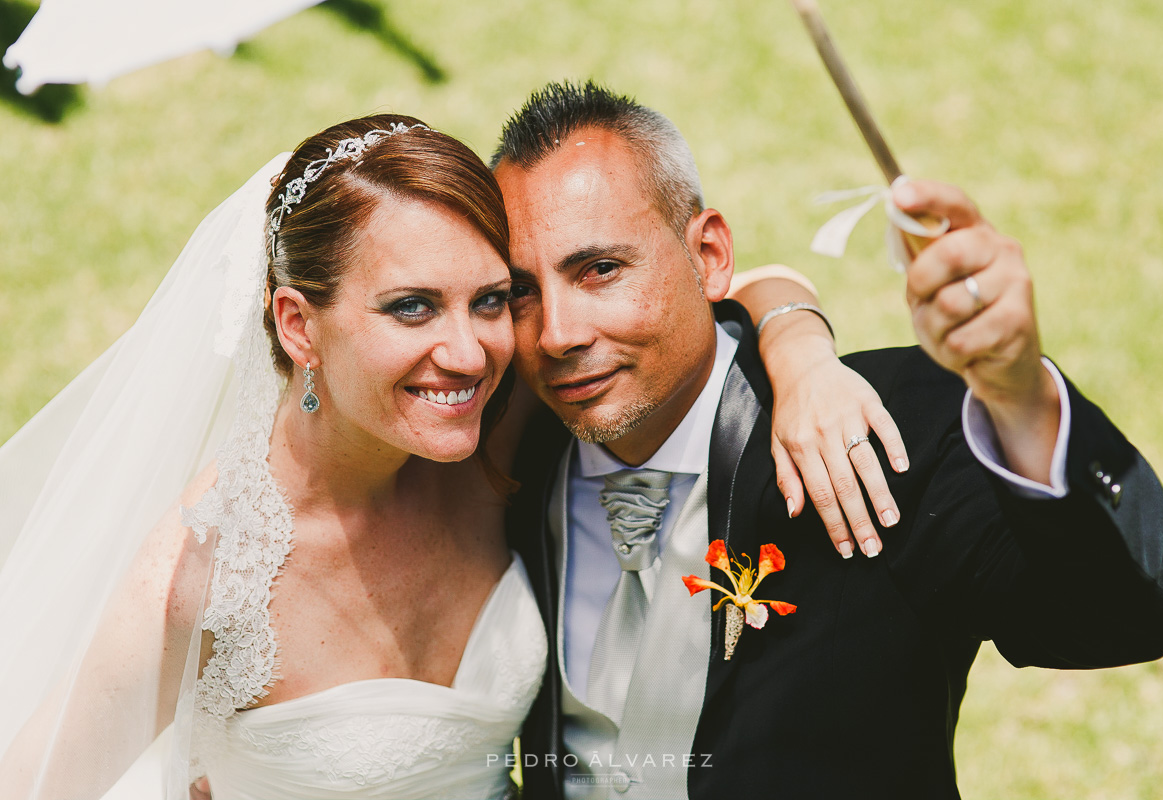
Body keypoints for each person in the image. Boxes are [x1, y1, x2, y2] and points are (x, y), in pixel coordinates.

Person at [0, 113, 901, 798]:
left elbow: (693, 285)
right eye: (411, 308)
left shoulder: (483, 438)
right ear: (296, 324)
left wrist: (801, 351)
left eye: (490, 299)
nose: (472, 353)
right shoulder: (202, 571)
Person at [492, 81, 1163, 799]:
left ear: (709, 255)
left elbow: (1123, 620)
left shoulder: (881, 435)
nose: (557, 333)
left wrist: (1017, 396)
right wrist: (791, 322)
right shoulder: (507, 454)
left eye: (600, 269)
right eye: (520, 292)